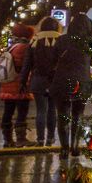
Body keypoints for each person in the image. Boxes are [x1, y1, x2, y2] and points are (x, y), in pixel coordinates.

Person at [50, 14, 92, 158]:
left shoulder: (62, 40)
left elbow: (53, 60)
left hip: (62, 81)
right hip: (82, 82)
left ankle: (64, 149)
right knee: (78, 115)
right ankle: (75, 147)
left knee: (63, 115)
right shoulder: (91, 42)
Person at [21, 17, 64, 146]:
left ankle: (40, 139)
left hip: (38, 79)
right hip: (55, 80)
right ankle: (50, 138)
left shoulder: (34, 40)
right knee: (52, 109)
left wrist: (23, 81)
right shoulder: (61, 40)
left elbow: (27, 64)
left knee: (41, 110)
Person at [0, 23, 35, 147]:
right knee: (22, 112)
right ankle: (21, 138)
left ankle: (7, 139)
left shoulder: (11, 47)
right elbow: (24, 67)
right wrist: (25, 83)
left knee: (8, 111)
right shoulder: (25, 47)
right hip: (19, 85)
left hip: (8, 84)